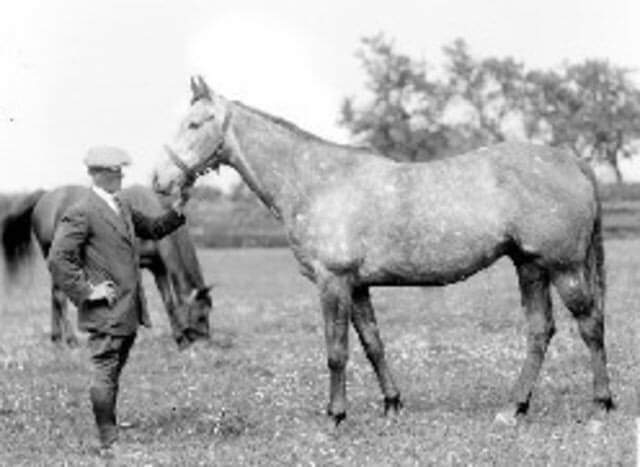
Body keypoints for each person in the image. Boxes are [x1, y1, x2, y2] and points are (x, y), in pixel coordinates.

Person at [47, 145, 190, 456]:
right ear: (98, 174)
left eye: (121, 170)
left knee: (113, 370)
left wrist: (176, 211)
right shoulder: (81, 210)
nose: (122, 175)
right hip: (105, 311)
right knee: (105, 369)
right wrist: (87, 291)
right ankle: (107, 439)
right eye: (115, 171)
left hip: (126, 308)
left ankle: (108, 422)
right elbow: (59, 258)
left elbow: (152, 228)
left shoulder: (120, 205)